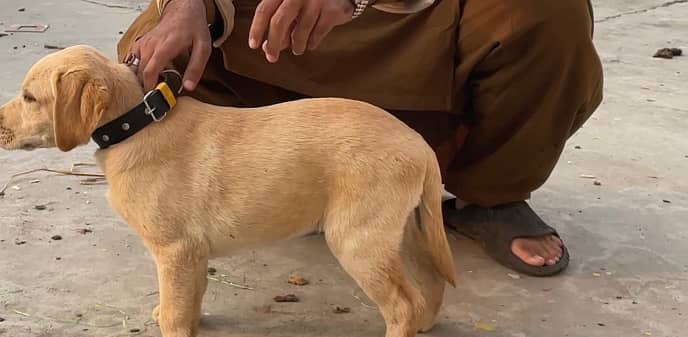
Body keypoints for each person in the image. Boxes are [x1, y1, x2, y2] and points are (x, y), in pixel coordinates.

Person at [116, 0, 603, 277]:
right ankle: (288, 179)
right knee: (148, 50)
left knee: (545, 17)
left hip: (420, 16)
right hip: (264, 18)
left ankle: (491, 193)